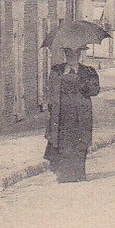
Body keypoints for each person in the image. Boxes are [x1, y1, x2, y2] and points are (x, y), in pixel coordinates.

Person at [44, 45, 100, 182]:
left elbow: (94, 91)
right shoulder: (56, 71)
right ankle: (63, 175)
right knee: (62, 145)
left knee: (79, 145)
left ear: (80, 54)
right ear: (65, 54)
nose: (71, 56)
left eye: (75, 53)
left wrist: (80, 80)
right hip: (62, 115)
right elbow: (50, 91)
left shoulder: (88, 72)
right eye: (68, 53)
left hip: (80, 115)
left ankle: (78, 174)